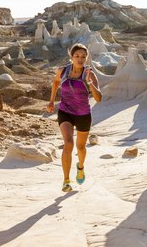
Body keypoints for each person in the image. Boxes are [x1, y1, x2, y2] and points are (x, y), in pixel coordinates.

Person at [46, 43, 102, 192]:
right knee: (68, 143)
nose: (80, 59)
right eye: (77, 56)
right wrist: (52, 101)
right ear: (71, 57)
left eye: (83, 56)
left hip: (83, 114)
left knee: (81, 147)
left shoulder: (89, 74)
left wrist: (90, 82)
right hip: (65, 112)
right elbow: (56, 82)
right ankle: (66, 180)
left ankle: (80, 167)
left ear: (86, 58)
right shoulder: (63, 71)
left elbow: (99, 98)